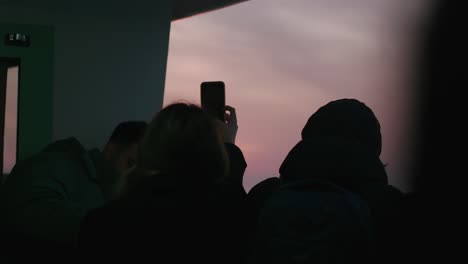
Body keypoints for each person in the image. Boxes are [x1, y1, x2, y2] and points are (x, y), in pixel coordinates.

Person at [78, 103, 248, 263]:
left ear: (148, 147)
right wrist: (228, 144)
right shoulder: (231, 219)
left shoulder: (102, 224)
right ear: (214, 155)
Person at [0, 121, 147, 261]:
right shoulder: (57, 163)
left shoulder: (109, 192)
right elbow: (28, 212)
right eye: (130, 163)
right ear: (111, 150)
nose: (131, 176)